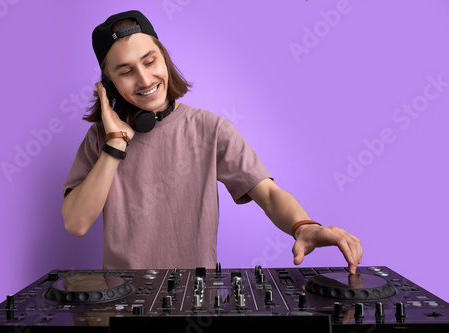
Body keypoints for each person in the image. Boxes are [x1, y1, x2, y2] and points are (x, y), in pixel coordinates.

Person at [61, 10, 362, 273]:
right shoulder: (100, 140)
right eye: (126, 71)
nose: (144, 79)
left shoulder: (210, 128)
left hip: (196, 302)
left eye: (150, 61)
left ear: (164, 58)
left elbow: (269, 195)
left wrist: (305, 226)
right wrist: (114, 145)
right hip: (123, 304)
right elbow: (76, 223)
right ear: (109, 83)